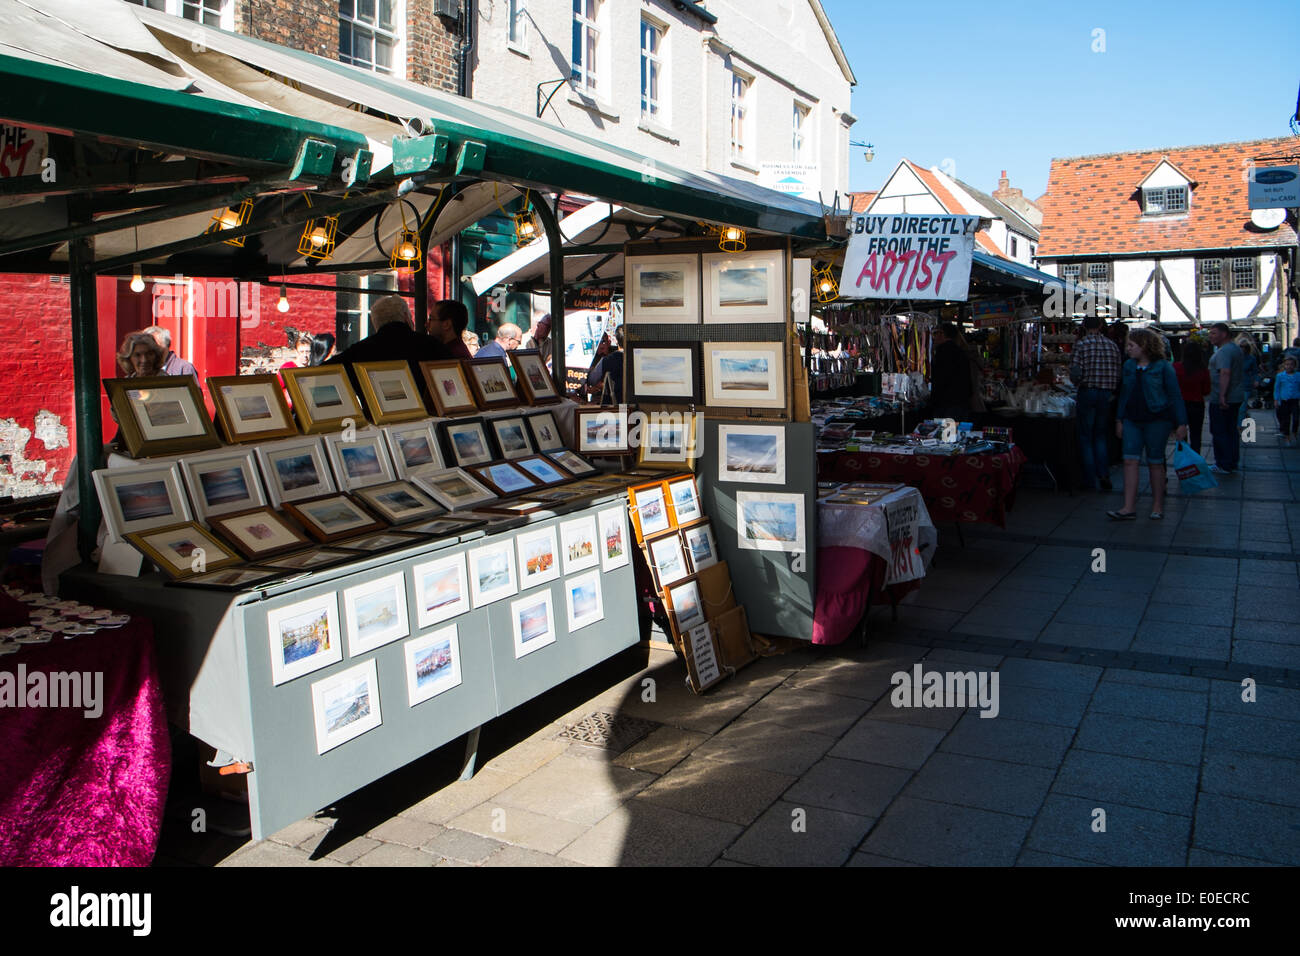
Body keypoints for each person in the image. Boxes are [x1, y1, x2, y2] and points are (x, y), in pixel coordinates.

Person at [1108, 328, 1188, 520]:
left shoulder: (1163, 367)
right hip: (1132, 419)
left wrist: (1182, 423)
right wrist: (1119, 419)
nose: (1128, 349)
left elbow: (1175, 395)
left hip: (1158, 419)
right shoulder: (1128, 366)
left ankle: (1157, 506)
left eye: (1131, 345)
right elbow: (1124, 394)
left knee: (1155, 462)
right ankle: (1128, 507)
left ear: (1144, 346)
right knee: (1129, 461)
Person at [1070, 314, 1122, 490]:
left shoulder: (1082, 344)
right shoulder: (1112, 345)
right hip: (1105, 393)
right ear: (1100, 326)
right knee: (1100, 435)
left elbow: (1076, 372)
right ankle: (1103, 474)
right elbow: (1118, 371)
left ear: (1084, 326)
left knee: (1085, 436)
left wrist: (1077, 382)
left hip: (1088, 391)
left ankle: (1089, 478)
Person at [1206, 322, 1245, 475]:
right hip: (1235, 395)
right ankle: (1231, 461)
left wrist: (1222, 395)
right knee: (1230, 430)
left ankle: (1223, 463)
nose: (1210, 336)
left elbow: (1225, 372)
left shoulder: (1225, 351)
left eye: (1214, 333)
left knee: (1220, 430)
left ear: (1224, 334)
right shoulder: (1234, 348)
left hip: (1223, 397)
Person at [1174, 339, 1211, 456]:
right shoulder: (1203, 370)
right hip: (1197, 404)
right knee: (1196, 435)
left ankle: (1182, 459)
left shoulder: (1176, 367)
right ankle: (1196, 460)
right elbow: (1206, 391)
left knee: (1180, 434)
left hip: (1180, 404)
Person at [927, 323, 972, 420]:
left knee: (944, 432)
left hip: (945, 404)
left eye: (935, 334)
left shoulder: (942, 352)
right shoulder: (961, 352)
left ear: (942, 334)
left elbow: (940, 380)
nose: (933, 338)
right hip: (961, 402)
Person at [588, 326, 625, 405]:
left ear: (612, 341)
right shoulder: (636, 357)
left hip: (612, 404)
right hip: (631, 403)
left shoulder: (607, 360)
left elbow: (592, 379)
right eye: (597, 343)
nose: (600, 346)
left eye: (603, 342)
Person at [1275, 355, 1300, 445]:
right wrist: (1276, 400)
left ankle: (1294, 431)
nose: (1289, 366)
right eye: (1287, 364)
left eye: (1291, 365)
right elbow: (1277, 388)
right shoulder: (1280, 376)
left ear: (1295, 366)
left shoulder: (1298, 375)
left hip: (1295, 400)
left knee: (1296, 418)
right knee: (1286, 419)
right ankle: (1287, 436)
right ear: (1284, 365)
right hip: (1284, 400)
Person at [1236, 333, 1259, 426]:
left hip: (1246, 384)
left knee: (1242, 407)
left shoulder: (1251, 359)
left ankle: (1239, 426)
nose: (1243, 348)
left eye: (1245, 347)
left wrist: (1256, 380)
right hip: (1235, 384)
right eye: (1241, 346)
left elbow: (1255, 371)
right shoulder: (1236, 357)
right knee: (1236, 406)